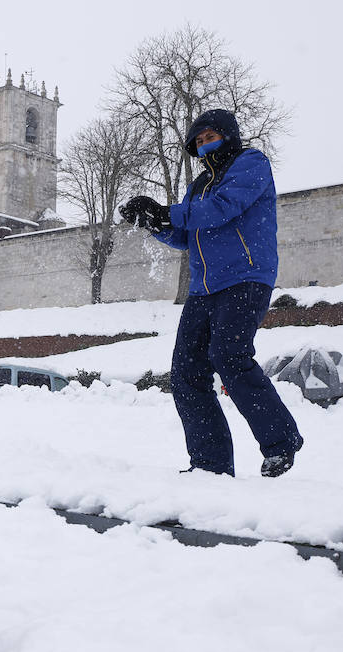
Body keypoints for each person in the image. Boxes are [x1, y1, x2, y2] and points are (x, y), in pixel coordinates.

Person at [121, 109, 304, 478]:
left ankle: (281, 441)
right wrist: (153, 222)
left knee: (229, 356)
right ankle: (210, 463)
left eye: (211, 137)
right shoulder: (200, 185)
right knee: (186, 373)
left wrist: (168, 212)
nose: (206, 145)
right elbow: (185, 236)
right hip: (203, 288)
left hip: (245, 278)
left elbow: (222, 209)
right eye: (199, 141)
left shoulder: (251, 163)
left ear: (228, 135)